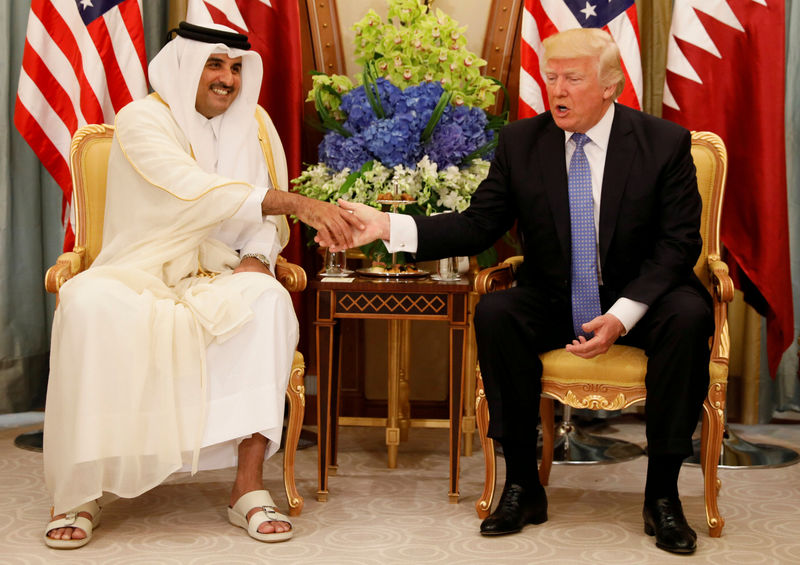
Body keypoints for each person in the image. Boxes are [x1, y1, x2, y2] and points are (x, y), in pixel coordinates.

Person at [330, 28, 712, 555]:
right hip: (556, 294)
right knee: (497, 312)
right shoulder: (521, 142)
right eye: (550, 77)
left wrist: (622, 316)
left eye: (573, 79)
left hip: (642, 295)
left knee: (690, 316)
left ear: (610, 86)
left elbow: (678, 244)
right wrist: (389, 228)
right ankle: (522, 486)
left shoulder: (662, 143)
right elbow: (478, 225)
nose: (557, 90)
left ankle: (663, 496)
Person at [43, 22, 360, 549]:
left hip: (216, 273)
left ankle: (248, 489)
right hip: (137, 270)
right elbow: (195, 190)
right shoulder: (142, 119)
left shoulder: (246, 125)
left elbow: (259, 220)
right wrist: (299, 203)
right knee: (86, 303)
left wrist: (259, 257)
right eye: (215, 65)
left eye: (236, 68)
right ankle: (80, 493)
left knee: (268, 300)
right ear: (185, 65)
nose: (228, 79)